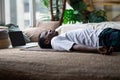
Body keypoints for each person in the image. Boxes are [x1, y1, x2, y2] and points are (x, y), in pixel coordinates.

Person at [38, 26, 120, 55]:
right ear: (47, 41)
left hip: (104, 34)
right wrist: (96, 49)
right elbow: (75, 47)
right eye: (46, 33)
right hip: (102, 38)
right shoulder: (54, 41)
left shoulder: (59, 37)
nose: (49, 30)